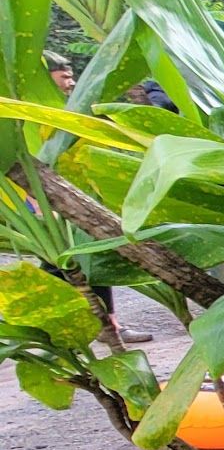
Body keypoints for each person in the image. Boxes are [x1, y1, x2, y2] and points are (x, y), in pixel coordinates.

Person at [41, 53, 151, 344]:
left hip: (79, 196)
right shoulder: (32, 113)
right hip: (51, 200)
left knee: (93, 256)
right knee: (58, 263)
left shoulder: (70, 111)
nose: (71, 82)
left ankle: (108, 324)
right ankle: (49, 329)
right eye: (64, 77)